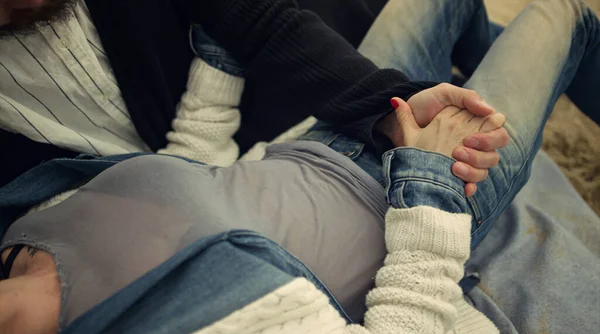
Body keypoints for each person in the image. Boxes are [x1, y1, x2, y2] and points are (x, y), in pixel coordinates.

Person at [2, 1, 600, 334]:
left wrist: (216, 67)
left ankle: (470, 68)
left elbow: (189, 178)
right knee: (562, 13)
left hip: (325, 139)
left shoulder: (28, 220)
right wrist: (429, 179)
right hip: (420, 196)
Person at [0, 0, 497, 190]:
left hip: (310, 103)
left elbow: (261, 23)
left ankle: (475, 54)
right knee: (570, 21)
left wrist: (388, 108)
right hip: (275, 173)